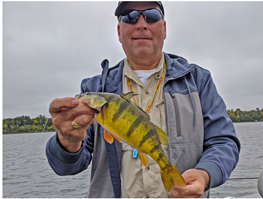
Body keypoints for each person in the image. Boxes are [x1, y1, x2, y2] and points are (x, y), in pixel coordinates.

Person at [46, 1, 241, 198]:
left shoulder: (198, 81)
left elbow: (224, 142)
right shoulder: (95, 89)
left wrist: (205, 173)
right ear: (119, 31)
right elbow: (66, 167)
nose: (141, 23)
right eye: (130, 16)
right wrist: (67, 142)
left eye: (151, 15)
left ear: (164, 28)